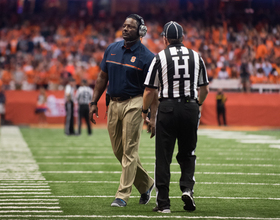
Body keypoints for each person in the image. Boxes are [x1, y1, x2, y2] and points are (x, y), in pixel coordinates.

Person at [89, 14, 156, 207]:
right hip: (113, 102)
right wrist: (94, 101)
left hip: (134, 102)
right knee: (118, 150)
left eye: (130, 27)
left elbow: (153, 90)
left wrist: (151, 114)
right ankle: (146, 185)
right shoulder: (111, 49)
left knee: (130, 149)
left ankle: (122, 195)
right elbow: (102, 77)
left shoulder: (148, 57)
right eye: (124, 26)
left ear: (140, 31)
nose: (125, 29)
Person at [142, 21, 209, 213]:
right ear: (182, 38)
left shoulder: (160, 57)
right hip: (190, 107)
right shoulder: (197, 57)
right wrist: (197, 104)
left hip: (168, 108)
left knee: (163, 157)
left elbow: (149, 90)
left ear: (165, 39)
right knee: (188, 153)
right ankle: (187, 188)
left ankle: (163, 203)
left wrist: (145, 110)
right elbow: (204, 89)